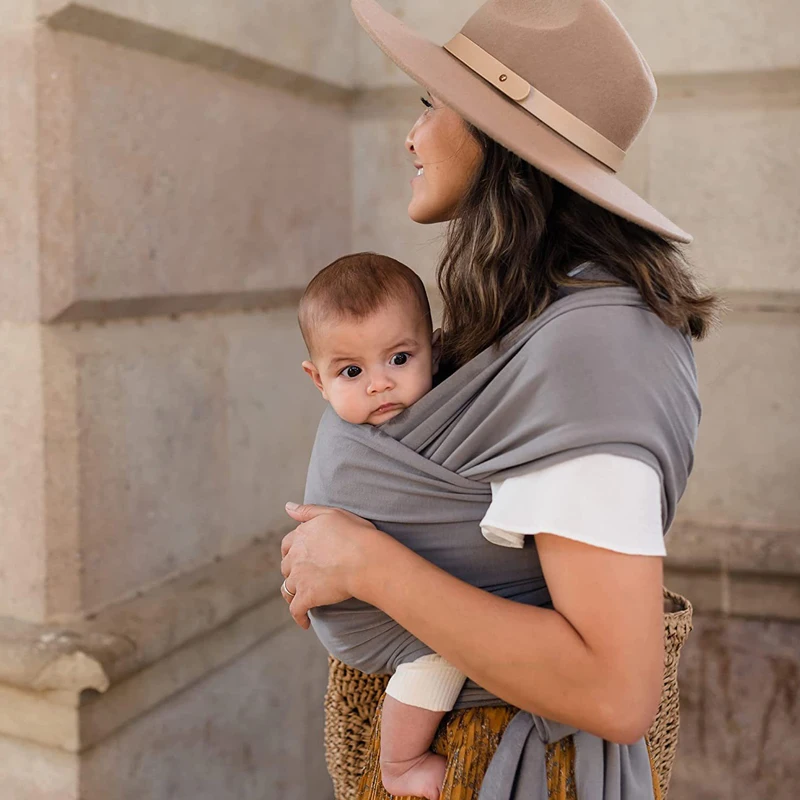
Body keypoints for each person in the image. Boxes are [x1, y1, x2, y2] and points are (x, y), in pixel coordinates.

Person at [280, 1, 720, 798]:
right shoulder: (532, 320)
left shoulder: (594, 350)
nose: (411, 137)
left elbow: (617, 692)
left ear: (498, 139)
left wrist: (363, 561)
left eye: (430, 105)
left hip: (506, 769)